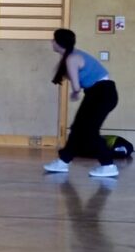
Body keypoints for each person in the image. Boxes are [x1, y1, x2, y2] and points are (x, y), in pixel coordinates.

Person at [43, 28, 120, 178]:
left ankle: (108, 165)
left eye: (53, 40)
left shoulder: (71, 58)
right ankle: (63, 161)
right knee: (78, 128)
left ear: (59, 43)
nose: (51, 42)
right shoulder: (72, 55)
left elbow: (77, 86)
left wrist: (75, 93)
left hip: (101, 93)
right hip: (100, 93)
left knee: (89, 131)